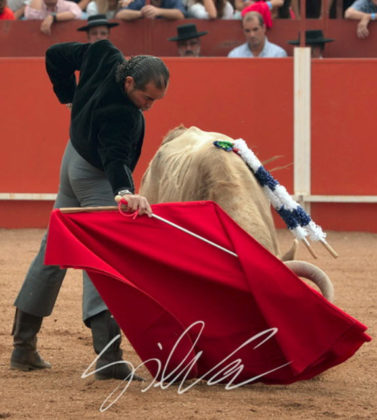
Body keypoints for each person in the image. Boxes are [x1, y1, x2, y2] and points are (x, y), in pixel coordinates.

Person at [10, 39, 169, 381]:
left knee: (53, 249)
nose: (149, 107)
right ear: (129, 83)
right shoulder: (122, 114)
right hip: (94, 173)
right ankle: (109, 358)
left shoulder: (102, 53)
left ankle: (23, 346)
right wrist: (125, 192)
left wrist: (69, 96)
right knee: (103, 256)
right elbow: (115, 158)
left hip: (73, 158)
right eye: (147, 98)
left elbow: (53, 54)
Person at [115, 0, 185, 21]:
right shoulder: (142, 2)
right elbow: (120, 15)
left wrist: (158, 11)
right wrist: (141, 13)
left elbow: (180, 14)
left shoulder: (172, 1)